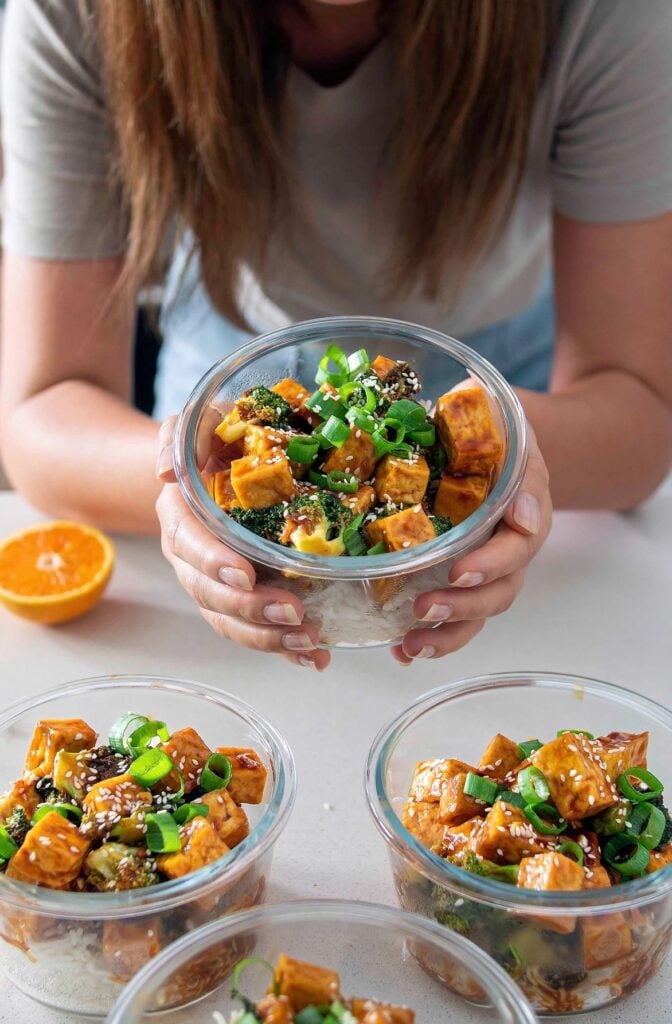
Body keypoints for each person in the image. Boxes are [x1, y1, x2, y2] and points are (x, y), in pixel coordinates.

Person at [0, 1, 670, 673]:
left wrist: (506, 460)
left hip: (515, 375)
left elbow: (641, 413)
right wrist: (194, 487)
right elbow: (45, 409)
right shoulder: (77, 12)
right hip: (225, 376)